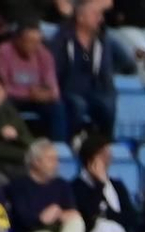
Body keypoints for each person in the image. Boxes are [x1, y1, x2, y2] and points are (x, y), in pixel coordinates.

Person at [8, 138, 85, 232]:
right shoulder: (19, 186)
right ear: (36, 162)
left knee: (76, 223)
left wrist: (57, 213)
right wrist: (42, 218)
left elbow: (71, 213)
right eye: (51, 159)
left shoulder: (62, 185)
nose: (57, 164)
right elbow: (23, 219)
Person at [74, 135, 143, 232]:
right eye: (104, 155)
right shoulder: (77, 187)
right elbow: (88, 216)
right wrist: (98, 185)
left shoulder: (117, 186)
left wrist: (107, 212)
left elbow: (130, 217)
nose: (109, 159)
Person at [53, 0, 118, 140]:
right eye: (95, 14)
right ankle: (73, 141)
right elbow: (56, 70)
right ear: (80, 17)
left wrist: (108, 92)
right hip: (68, 90)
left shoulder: (102, 41)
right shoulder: (63, 39)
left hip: (93, 90)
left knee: (108, 105)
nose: (100, 19)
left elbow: (106, 71)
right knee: (78, 105)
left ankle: (105, 142)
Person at [0, 21, 66, 142]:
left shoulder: (44, 54)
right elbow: (0, 86)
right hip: (12, 98)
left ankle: (58, 146)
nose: (35, 46)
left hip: (37, 99)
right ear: (17, 40)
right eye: (30, 42)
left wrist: (47, 94)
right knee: (2, 103)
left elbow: (53, 87)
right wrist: (28, 94)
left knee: (57, 107)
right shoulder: (3, 51)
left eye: (38, 42)